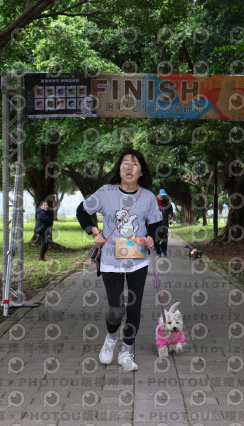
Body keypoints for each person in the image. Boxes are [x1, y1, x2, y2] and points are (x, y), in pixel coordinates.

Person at [76, 148, 163, 371]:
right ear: (119, 168)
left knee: (133, 308)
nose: (129, 167)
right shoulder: (106, 192)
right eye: (125, 162)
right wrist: (95, 231)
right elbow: (82, 211)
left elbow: (156, 224)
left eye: (134, 163)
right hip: (110, 258)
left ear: (141, 171)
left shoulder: (148, 197)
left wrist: (152, 237)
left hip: (137, 258)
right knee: (116, 310)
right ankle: (111, 338)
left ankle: (126, 351)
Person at [155, 189, 174, 257]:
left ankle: (163, 250)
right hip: (155, 222)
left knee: (164, 237)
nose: (162, 197)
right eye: (161, 195)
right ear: (158, 195)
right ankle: (158, 251)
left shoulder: (167, 202)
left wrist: (170, 214)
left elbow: (171, 209)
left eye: (164, 196)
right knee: (156, 238)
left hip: (164, 222)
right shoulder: (153, 201)